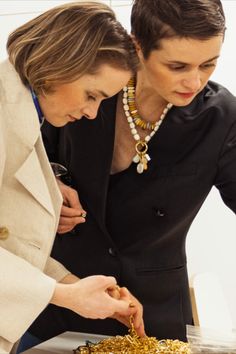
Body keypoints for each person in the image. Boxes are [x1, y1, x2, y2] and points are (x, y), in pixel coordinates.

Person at [21, 0, 236, 348]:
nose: (194, 80)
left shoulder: (222, 117)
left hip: (153, 317)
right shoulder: (89, 88)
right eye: (177, 65)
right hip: (60, 299)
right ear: (137, 45)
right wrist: (49, 187)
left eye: (209, 64)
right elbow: (30, 157)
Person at [0, 2, 145, 353]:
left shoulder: (26, 115)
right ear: (58, 65)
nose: (92, 112)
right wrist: (66, 296)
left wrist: (75, 285)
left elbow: (13, 243)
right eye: (91, 95)